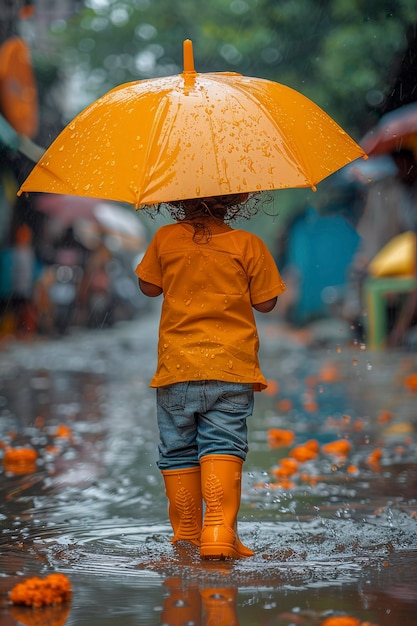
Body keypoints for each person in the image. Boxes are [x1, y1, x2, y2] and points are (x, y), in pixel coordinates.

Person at [136, 193, 286, 559]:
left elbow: (148, 286)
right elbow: (267, 303)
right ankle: (219, 531)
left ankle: (187, 534)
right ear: (235, 201)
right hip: (231, 370)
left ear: (175, 201)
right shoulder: (248, 244)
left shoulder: (166, 240)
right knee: (223, 443)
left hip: (176, 371)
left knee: (177, 449)